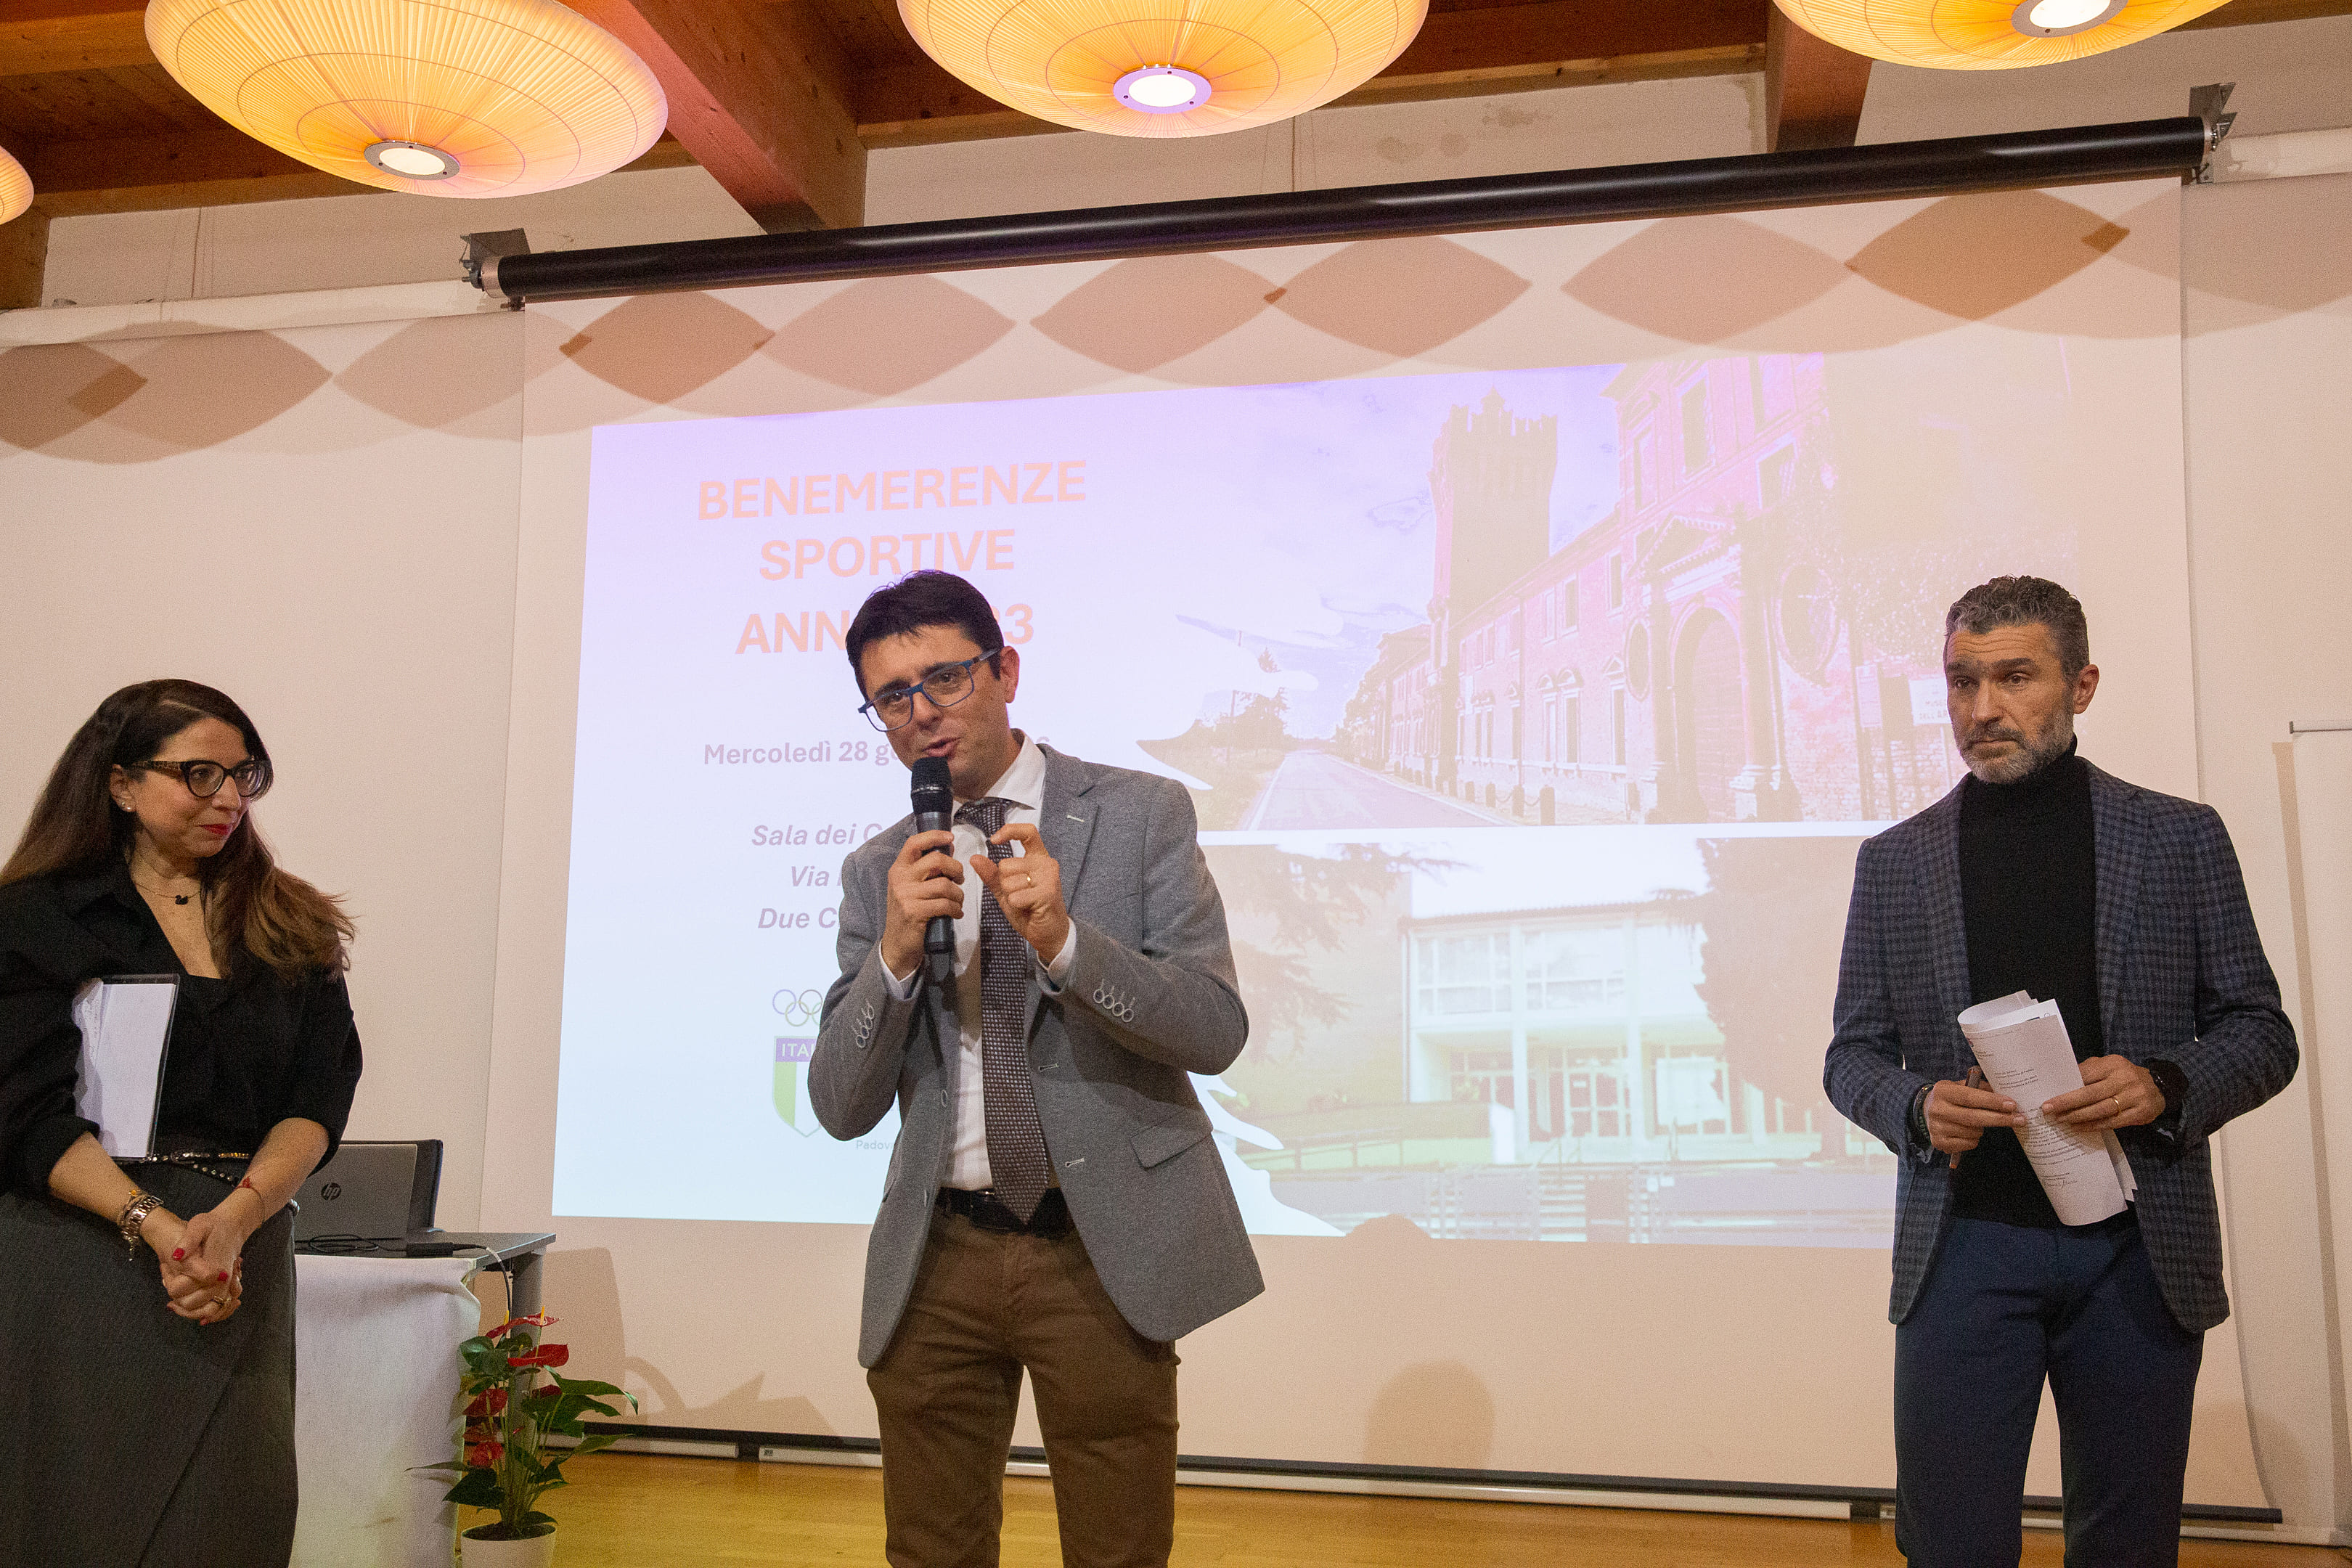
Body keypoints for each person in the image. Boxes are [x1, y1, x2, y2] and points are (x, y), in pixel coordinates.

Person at [1824, 576, 2298, 1566]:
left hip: (2137, 1249)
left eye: (2014, 677)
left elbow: (2262, 1032)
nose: (1982, 708)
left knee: (2127, 1545)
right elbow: (1852, 1056)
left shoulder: (2179, 837)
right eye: (1962, 682)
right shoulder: (1895, 861)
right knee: (1951, 1545)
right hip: (1963, 1250)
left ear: (2081, 686)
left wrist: (2166, 1084)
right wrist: (1914, 1104)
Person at [810, 571, 1262, 1568]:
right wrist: (892, 955)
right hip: (938, 1254)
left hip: (1096, 1250)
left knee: (1116, 1552)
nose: (923, 714)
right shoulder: (879, 870)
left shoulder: (1141, 813)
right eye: (893, 697)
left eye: (946, 679)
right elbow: (839, 1107)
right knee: (930, 1551)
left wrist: (1065, 943)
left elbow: (1213, 1029)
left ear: (1005, 671)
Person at [0, 679, 364, 1567]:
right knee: (78, 1513)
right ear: (121, 784)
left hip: (236, 1249)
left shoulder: (291, 921)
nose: (228, 797)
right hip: (82, 1248)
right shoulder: (36, 917)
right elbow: (24, 1114)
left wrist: (234, 1221)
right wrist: (157, 1227)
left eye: (245, 775)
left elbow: (317, 1100)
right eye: (200, 774)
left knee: (231, 1512)